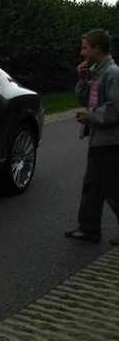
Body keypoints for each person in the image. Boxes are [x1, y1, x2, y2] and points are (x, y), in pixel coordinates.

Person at [65, 29, 119, 245]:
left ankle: (89, 228)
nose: (82, 52)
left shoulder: (112, 74)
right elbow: (87, 99)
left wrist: (92, 117)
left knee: (112, 188)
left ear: (97, 48)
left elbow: (115, 108)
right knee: (93, 185)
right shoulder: (97, 72)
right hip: (98, 140)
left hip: (111, 142)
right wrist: (81, 80)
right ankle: (89, 228)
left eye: (85, 47)